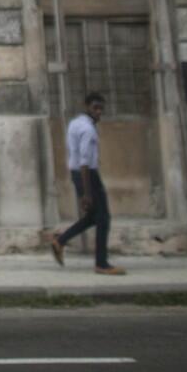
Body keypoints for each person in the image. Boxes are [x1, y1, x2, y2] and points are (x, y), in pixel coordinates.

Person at [50, 92, 124, 275]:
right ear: (87, 107)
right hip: (88, 175)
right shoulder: (88, 129)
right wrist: (87, 193)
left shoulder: (75, 123)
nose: (99, 112)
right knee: (103, 219)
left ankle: (60, 241)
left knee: (93, 218)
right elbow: (84, 161)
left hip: (79, 174)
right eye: (95, 108)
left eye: (101, 108)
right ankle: (101, 263)